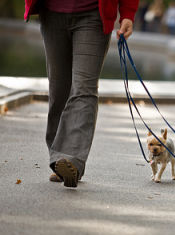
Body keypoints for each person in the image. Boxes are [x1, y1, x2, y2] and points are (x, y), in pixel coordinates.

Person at [24, 0, 139, 188]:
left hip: (93, 13)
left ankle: (71, 158)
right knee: (59, 89)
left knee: (84, 88)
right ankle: (58, 159)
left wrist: (128, 13)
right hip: (52, 12)